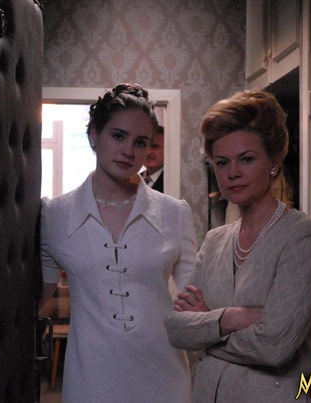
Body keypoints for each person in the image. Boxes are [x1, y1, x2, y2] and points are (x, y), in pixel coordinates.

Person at [164, 90, 311, 402]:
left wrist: (207, 325)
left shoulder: (302, 237)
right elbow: (177, 329)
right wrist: (231, 318)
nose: (233, 173)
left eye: (247, 159)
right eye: (222, 162)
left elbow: (274, 346)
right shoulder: (215, 240)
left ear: (274, 162)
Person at [40, 83, 196, 403]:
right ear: (93, 135)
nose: (128, 150)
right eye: (118, 136)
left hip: (164, 378)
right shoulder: (55, 215)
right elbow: (34, 301)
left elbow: (198, 302)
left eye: (140, 142)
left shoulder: (173, 213)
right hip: (90, 381)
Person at [142, 124, 165, 192]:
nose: (148, 152)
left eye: (155, 146)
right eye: (144, 145)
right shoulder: (132, 179)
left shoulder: (170, 181)